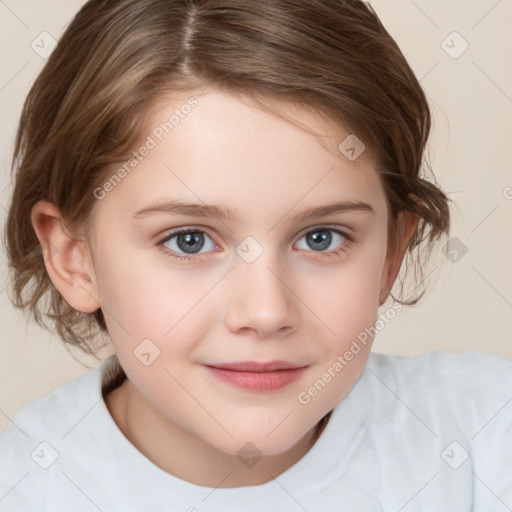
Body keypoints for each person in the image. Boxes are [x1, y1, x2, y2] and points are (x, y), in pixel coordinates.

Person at [1, 0, 511, 510]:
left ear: (391, 253)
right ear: (74, 257)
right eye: (189, 240)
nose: (266, 312)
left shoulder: (485, 439)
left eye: (321, 238)